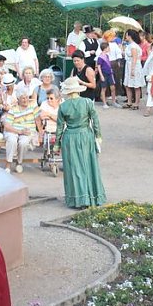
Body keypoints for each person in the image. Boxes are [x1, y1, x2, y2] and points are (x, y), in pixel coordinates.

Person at [55, 77, 106, 208]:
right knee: (89, 165)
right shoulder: (88, 102)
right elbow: (95, 120)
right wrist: (98, 135)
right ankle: (92, 197)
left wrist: (57, 144)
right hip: (85, 136)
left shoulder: (63, 106)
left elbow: (60, 127)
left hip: (70, 137)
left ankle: (77, 199)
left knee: (74, 168)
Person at [3, 92, 40, 173]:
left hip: (28, 130)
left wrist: (40, 132)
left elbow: (38, 120)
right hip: (13, 130)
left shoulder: (33, 105)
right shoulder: (13, 108)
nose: (25, 100)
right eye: (23, 98)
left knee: (23, 142)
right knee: (12, 140)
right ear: (18, 99)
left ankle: (19, 162)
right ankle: (8, 163)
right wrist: (19, 131)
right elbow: (7, 126)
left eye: (26, 97)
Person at [122, 29, 145, 109]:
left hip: (134, 66)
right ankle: (129, 101)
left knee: (136, 85)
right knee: (127, 85)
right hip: (129, 65)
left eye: (127, 35)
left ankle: (136, 103)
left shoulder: (133, 46)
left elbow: (134, 58)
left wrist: (132, 69)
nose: (125, 36)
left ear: (129, 36)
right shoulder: (130, 45)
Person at [96, 42, 119, 108]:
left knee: (113, 87)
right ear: (105, 48)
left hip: (109, 73)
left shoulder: (107, 56)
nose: (109, 48)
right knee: (104, 88)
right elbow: (99, 66)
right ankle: (104, 103)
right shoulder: (100, 57)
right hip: (104, 74)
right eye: (108, 47)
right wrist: (101, 75)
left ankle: (114, 101)